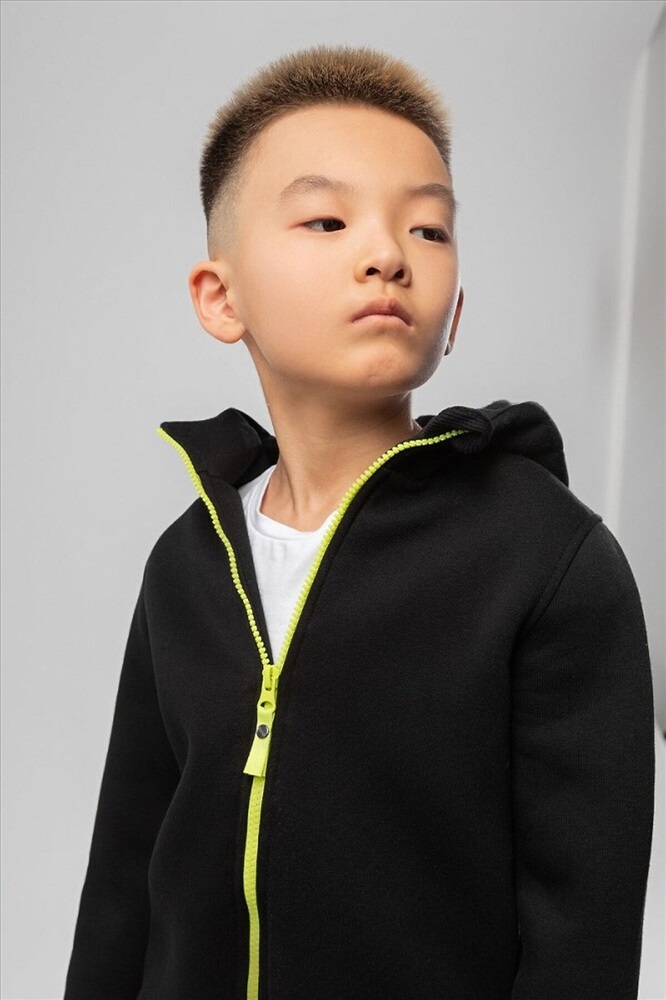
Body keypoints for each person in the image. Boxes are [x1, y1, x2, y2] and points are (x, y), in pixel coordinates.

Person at [64, 44, 655, 1000]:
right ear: (222, 298)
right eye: (328, 220)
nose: (388, 254)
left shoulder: (548, 561)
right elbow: (124, 876)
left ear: (454, 311)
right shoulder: (187, 564)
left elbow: (582, 932)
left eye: (428, 228)